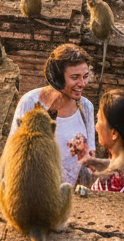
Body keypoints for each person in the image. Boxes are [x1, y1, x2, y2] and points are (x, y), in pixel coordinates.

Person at [10, 44, 95, 186]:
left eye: (85, 77)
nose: (82, 83)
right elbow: (14, 153)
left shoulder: (86, 107)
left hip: (69, 195)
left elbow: (89, 159)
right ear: (58, 78)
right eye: (75, 77)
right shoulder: (30, 102)